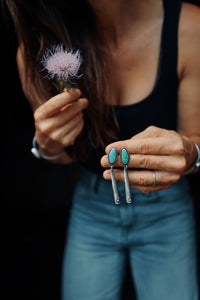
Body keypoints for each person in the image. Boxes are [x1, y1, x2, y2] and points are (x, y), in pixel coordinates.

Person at [3, 0, 200, 299]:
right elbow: (64, 155)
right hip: (90, 209)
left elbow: (195, 137)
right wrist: (46, 146)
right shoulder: (39, 48)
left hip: (168, 209)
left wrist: (190, 153)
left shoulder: (190, 26)